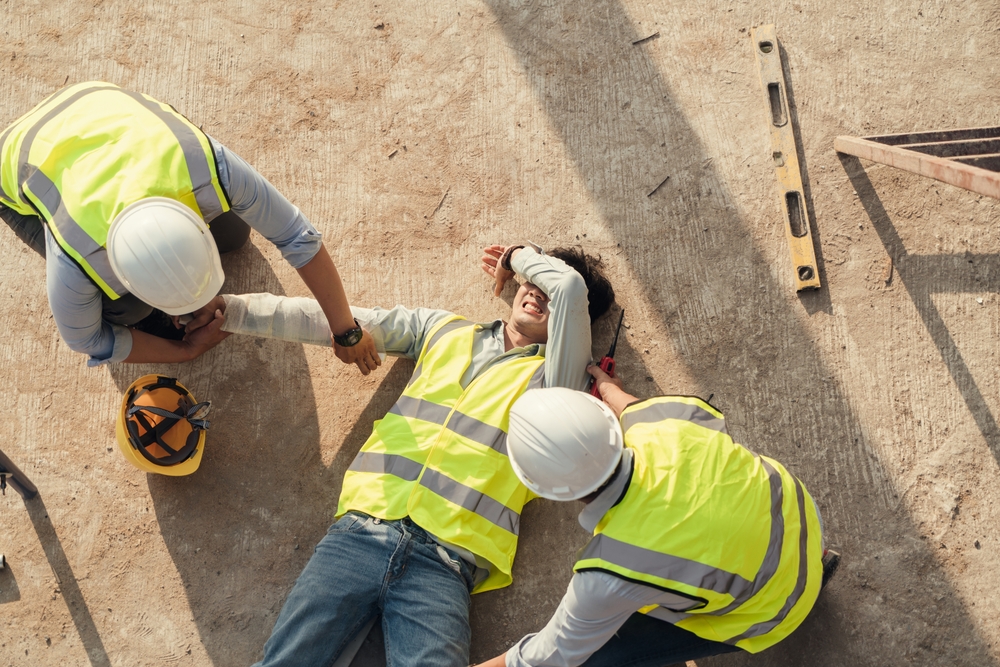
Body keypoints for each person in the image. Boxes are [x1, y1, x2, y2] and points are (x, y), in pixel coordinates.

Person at [217, 242, 614, 667]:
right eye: (532, 281)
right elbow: (336, 320)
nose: (537, 291)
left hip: (446, 564)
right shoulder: (443, 330)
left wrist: (517, 255)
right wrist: (229, 312)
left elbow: (569, 287)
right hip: (360, 531)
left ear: (574, 320)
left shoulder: (560, 383)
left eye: (546, 287)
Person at [0, 81, 380, 373]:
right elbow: (87, 339)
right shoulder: (78, 258)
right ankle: (142, 305)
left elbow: (296, 235)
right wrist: (184, 350)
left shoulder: (207, 167)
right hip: (16, 159)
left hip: (90, 101)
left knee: (234, 234)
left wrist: (345, 329)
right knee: (128, 310)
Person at [476, 365, 839, 667]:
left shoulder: (609, 571)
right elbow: (631, 407)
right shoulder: (665, 419)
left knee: (595, 653)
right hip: (803, 526)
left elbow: (548, 657)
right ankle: (815, 563)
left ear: (543, 489)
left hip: (776, 609)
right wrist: (610, 388)